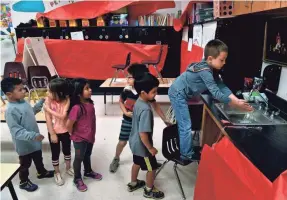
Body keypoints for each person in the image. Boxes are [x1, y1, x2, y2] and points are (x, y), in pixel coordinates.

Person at [168, 39, 253, 161]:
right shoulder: (205, 71)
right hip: (178, 94)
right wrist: (235, 103)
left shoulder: (210, 68)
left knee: (185, 124)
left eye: (225, 60)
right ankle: (186, 154)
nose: (224, 63)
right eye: (221, 60)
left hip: (182, 92)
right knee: (185, 126)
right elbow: (217, 93)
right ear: (210, 59)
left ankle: (187, 150)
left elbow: (221, 85)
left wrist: (236, 100)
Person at [109, 64, 171, 173]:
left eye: (130, 76)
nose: (127, 78)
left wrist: (164, 119)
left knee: (144, 142)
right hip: (128, 121)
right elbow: (120, 101)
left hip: (139, 123)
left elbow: (155, 105)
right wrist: (125, 112)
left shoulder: (145, 92)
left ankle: (148, 159)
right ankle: (116, 157)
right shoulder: (127, 90)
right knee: (122, 142)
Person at [1, 77, 54, 192]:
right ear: (9, 94)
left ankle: (41, 172)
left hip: (34, 141)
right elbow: (17, 131)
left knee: (38, 157)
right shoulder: (10, 111)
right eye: (20, 90)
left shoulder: (23, 102)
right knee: (25, 164)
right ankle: (23, 182)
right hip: (24, 145)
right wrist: (33, 136)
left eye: (23, 88)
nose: (24, 91)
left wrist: (40, 104)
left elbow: (30, 112)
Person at [128, 73, 165, 199]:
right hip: (144, 148)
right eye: (154, 91)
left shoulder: (138, 101)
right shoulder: (146, 110)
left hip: (134, 142)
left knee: (136, 163)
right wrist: (150, 149)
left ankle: (133, 183)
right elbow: (143, 134)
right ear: (143, 92)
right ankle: (149, 189)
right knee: (152, 167)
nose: (156, 94)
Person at [66, 78, 102, 192]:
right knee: (79, 157)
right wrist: (73, 134)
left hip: (90, 136)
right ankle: (77, 178)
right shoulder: (77, 108)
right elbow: (69, 124)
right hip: (79, 139)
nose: (90, 90)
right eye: (87, 88)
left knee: (87, 155)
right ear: (78, 92)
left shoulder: (89, 103)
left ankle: (88, 171)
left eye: (89, 87)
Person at [44, 78, 74, 186]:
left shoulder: (67, 100)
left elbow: (63, 116)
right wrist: (52, 133)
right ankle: (57, 172)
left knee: (67, 150)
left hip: (65, 131)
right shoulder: (48, 100)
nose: (48, 93)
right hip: (54, 132)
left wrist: (48, 109)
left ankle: (68, 167)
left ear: (59, 93)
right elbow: (48, 119)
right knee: (55, 153)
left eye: (50, 91)